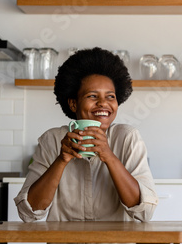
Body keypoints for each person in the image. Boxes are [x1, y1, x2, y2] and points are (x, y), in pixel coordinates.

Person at [15, 47, 158, 222]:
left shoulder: (127, 138)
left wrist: (109, 156)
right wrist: (61, 160)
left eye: (110, 96)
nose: (103, 104)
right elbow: (28, 213)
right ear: (73, 104)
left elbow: (145, 213)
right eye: (92, 96)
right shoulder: (52, 140)